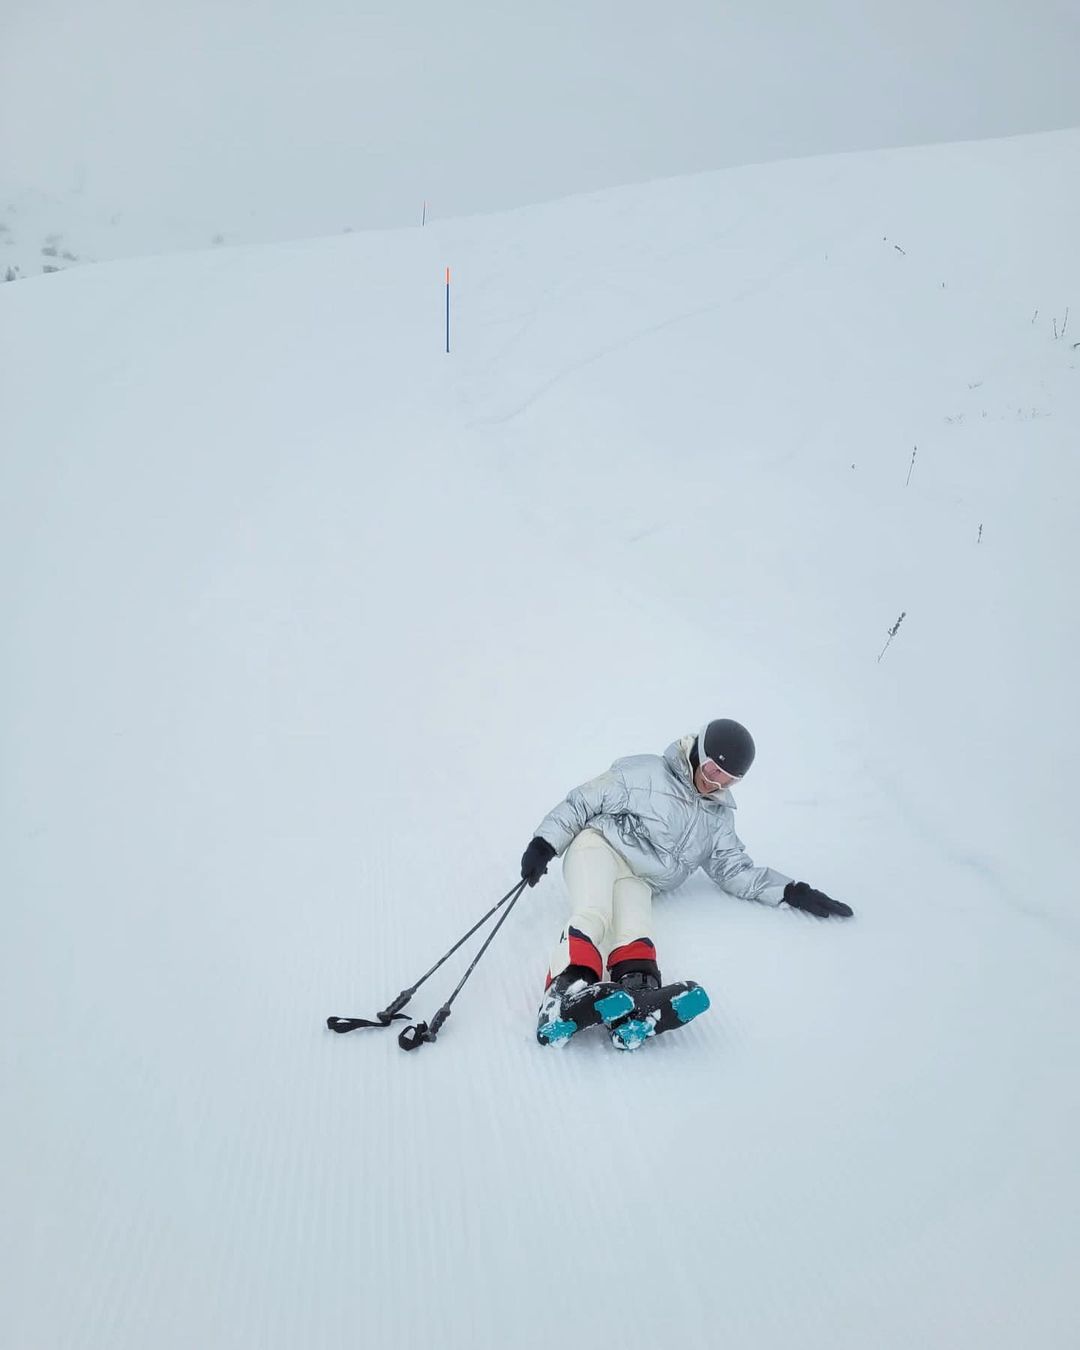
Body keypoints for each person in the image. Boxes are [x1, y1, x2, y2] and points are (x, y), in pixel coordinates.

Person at [520, 719, 853, 1040]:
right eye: (712, 771)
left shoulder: (717, 820)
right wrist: (544, 844)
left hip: (641, 879)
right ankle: (562, 999)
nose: (716, 784)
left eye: (729, 779)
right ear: (697, 753)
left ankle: (636, 1006)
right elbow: (583, 801)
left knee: (636, 932)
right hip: (600, 847)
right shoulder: (646, 773)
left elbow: (734, 870)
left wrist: (792, 892)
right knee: (595, 914)